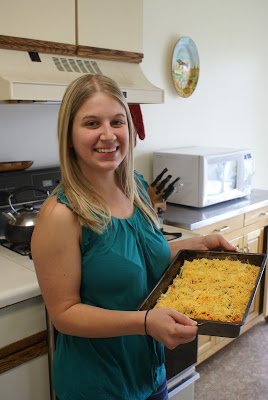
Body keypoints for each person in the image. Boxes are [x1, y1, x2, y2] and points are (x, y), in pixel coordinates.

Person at [31, 74, 237, 400]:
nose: (108, 134)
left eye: (117, 121)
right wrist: (145, 322)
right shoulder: (61, 215)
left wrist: (194, 244)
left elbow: (139, 258)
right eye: (91, 123)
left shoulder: (136, 188)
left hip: (150, 374)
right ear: (69, 136)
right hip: (97, 386)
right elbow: (65, 315)